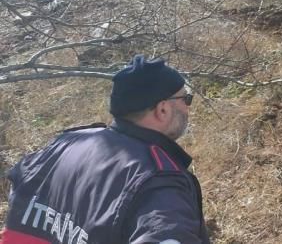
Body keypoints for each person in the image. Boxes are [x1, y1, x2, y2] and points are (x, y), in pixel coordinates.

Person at [2, 55, 210, 243]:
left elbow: (20, 182)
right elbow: (165, 229)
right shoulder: (158, 180)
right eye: (186, 99)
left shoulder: (67, 142)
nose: (187, 107)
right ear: (162, 109)